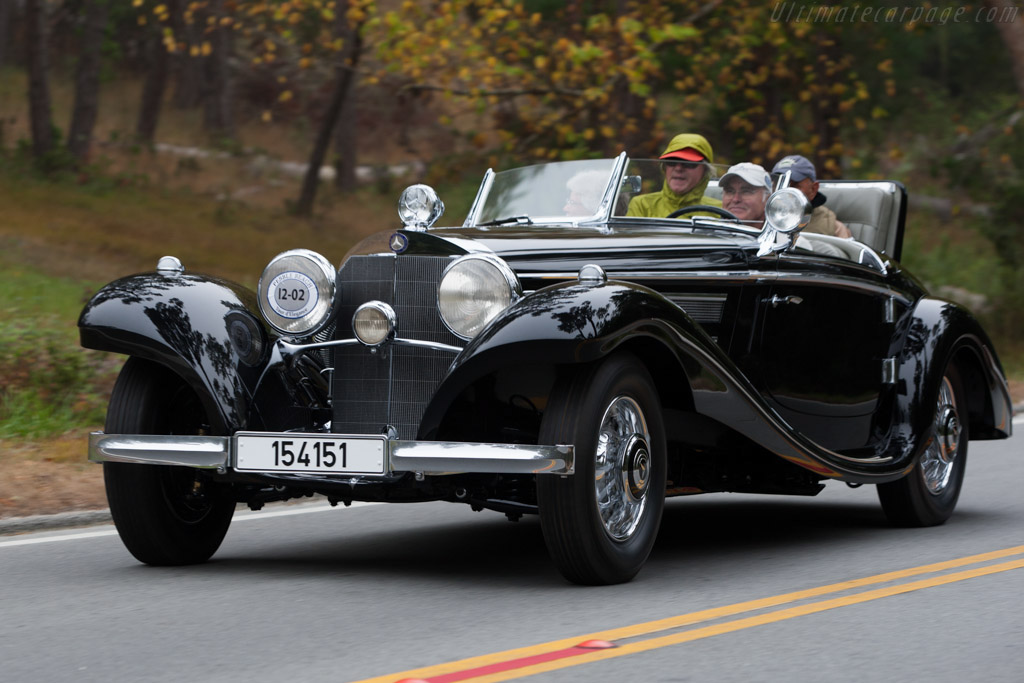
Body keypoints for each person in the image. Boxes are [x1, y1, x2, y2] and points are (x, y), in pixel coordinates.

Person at [626, 133, 722, 217]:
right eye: (671, 162)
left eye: (688, 163)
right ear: (664, 168)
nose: (678, 168)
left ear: (705, 170)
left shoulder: (721, 210)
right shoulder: (642, 205)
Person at [772, 155, 852, 238]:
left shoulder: (833, 227)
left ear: (813, 189)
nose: (785, 192)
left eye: (794, 186)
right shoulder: (763, 221)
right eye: (780, 185)